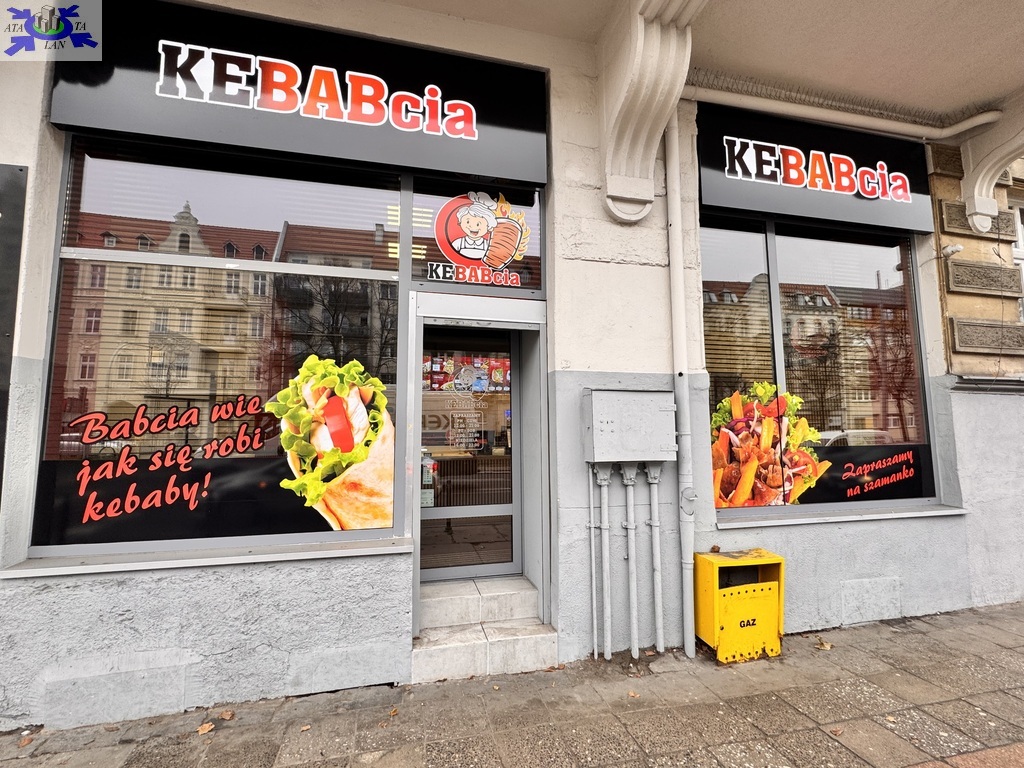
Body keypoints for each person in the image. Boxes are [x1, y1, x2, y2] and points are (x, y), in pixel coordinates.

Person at [451, 191, 498, 260]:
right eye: (468, 222)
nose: (472, 227)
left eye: (478, 224)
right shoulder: (458, 243)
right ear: (460, 223)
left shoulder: (488, 245)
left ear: (489, 226)